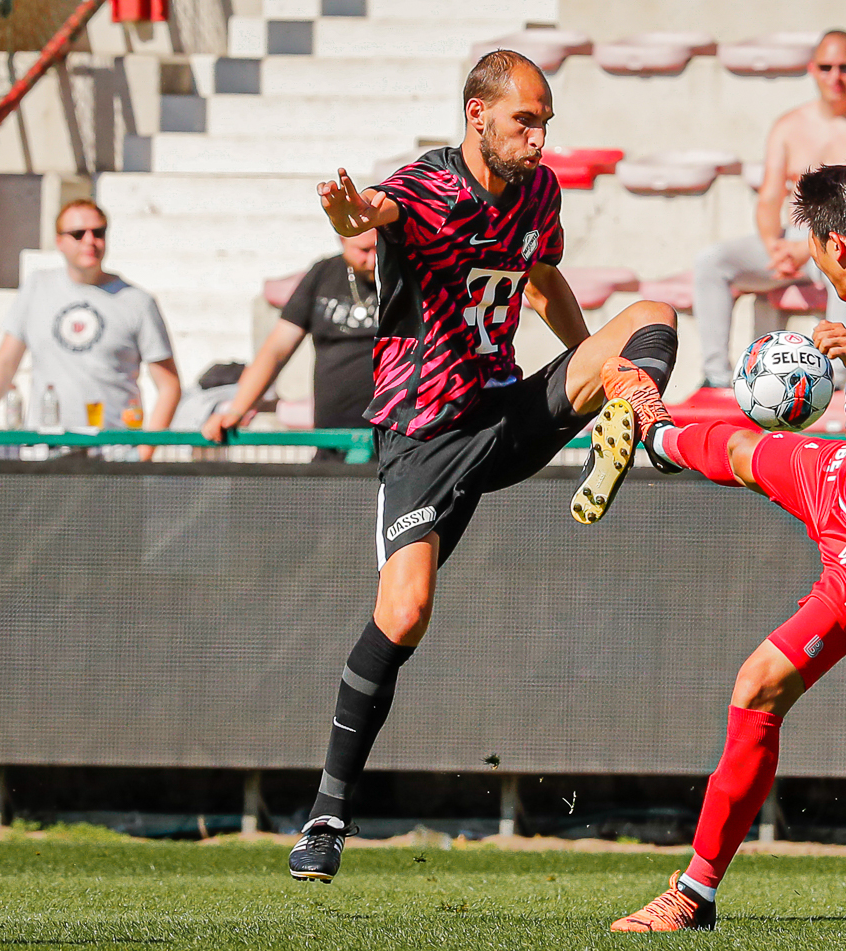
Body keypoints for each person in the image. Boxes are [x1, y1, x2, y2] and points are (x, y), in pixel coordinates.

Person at [280, 50, 680, 882]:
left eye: (546, 124)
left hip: (500, 412)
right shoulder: (428, 184)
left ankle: (633, 416)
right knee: (406, 611)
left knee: (649, 316)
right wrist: (351, 212)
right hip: (424, 432)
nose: (538, 139)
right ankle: (326, 812)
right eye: (524, 122)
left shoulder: (538, 192)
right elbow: (376, 211)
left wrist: (597, 364)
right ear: (477, 115)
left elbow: (542, 282)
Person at [602, 165, 846, 932]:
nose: (812, 259)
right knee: (751, 453)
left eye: (814, 246)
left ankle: (694, 894)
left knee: (757, 685)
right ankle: (657, 431)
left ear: (838, 245)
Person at [692, 30, 846, 389]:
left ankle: (839, 375)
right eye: (826, 67)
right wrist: (774, 245)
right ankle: (716, 376)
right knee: (712, 261)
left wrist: (807, 246)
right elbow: (769, 198)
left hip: (845, 243)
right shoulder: (790, 126)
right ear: (812, 69)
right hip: (792, 241)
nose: (835, 77)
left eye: (845, 68)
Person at [0, 199, 181, 461]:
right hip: (46, 448)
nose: (90, 241)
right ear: (59, 241)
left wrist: (144, 451)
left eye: (98, 232)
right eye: (78, 234)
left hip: (111, 453)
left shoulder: (137, 301)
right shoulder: (38, 287)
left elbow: (169, 385)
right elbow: (5, 362)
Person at [202, 230, 380, 459]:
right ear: (342, 239)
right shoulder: (323, 274)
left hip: (396, 443)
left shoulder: (409, 275)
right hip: (332, 441)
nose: (373, 260)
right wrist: (237, 409)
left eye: (379, 248)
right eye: (363, 250)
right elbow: (276, 349)